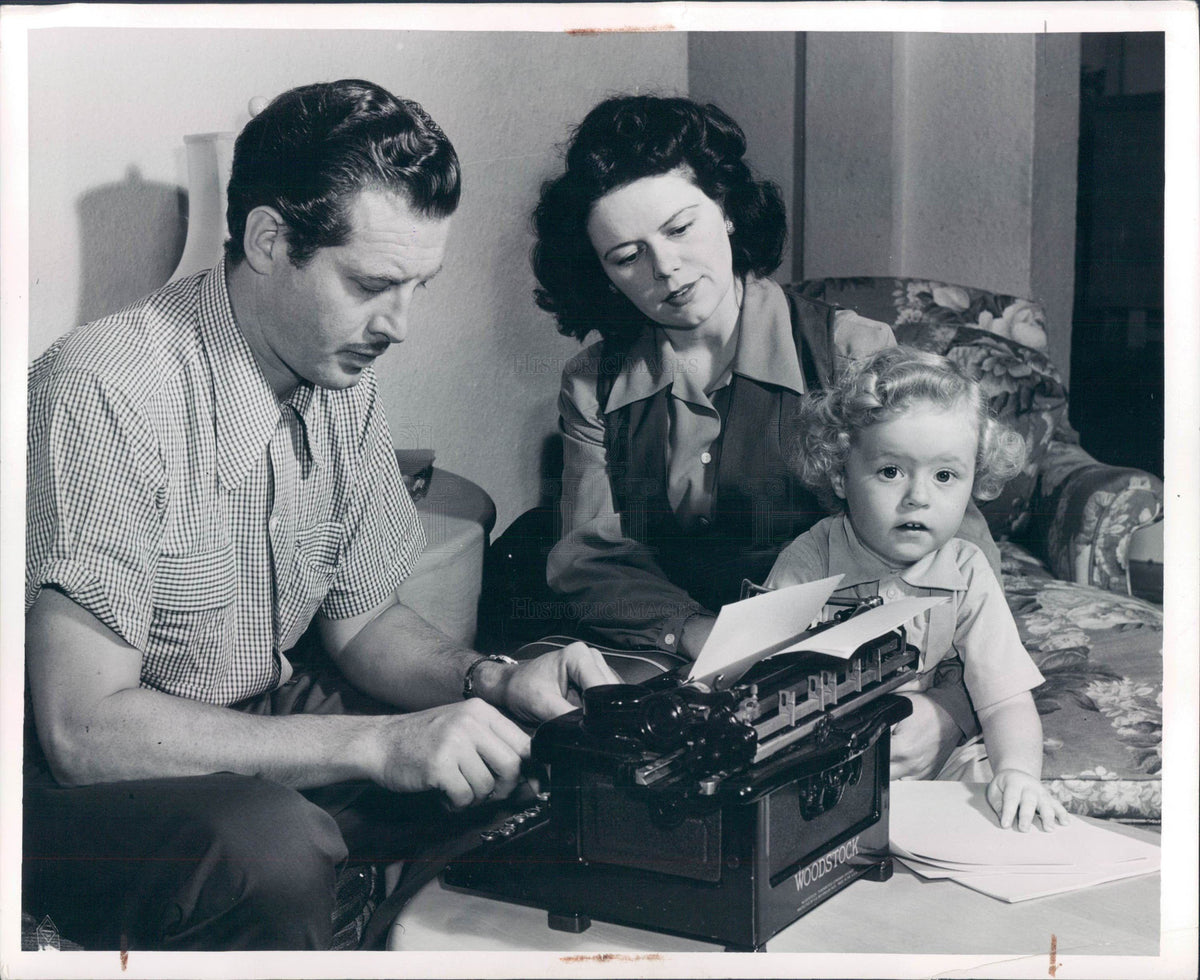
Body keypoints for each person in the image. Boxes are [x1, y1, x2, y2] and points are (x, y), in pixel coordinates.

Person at [23, 78, 619, 951]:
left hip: (239, 716)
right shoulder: (105, 391)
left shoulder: (334, 368)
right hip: (66, 778)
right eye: (373, 283)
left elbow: (364, 619)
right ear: (269, 240)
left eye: (419, 285)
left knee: (515, 766)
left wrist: (489, 680)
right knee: (272, 847)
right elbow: (82, 730)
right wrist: (378, 746)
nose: (401, 324)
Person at [531, 94, 997, 774]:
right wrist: (698, 633)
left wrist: (950, 713)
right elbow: (590, 560)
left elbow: (959, 553)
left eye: (682, 228)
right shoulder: (592, 386)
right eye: (627, 255)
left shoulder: (851, 352)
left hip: (851, 657)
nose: (664, 269)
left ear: (724, 207)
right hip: (685, 656)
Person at [764, 346, 1071, 831]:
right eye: (891, 472)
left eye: (945, 476)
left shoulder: (966, 570)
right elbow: (758, 675)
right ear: (842, 475)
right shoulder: (809, 559)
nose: (918, 497)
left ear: (975, 482)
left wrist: (1017, 772)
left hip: (932, 760)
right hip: (822, 760)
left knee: (993, 782)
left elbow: (1006, 699)